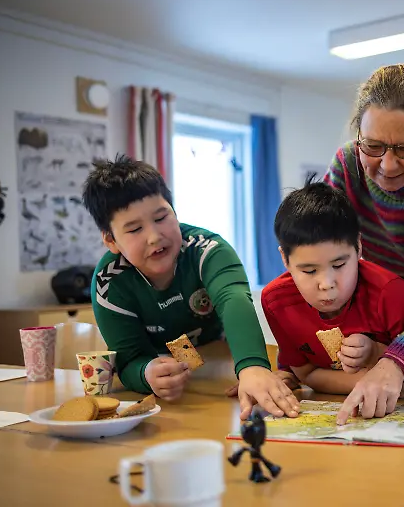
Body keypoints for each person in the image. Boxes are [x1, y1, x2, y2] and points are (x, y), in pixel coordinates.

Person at [274, 64, 404, 424]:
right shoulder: (347, 166)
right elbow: (313, 247)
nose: (387, 165)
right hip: (376, 321)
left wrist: (392, 362)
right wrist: (290, 365)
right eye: (372, 145)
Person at [82, 155, 300, 421]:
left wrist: (252, 367)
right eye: (135, 229)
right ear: (110, 240)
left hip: (225, 370)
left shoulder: (208, 250)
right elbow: (129, 360)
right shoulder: (108, 284)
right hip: (174, 404)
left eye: (162, 217)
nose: (154, 236)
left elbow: (234, 301)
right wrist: (146, 373)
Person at [262, 180, 404, 398]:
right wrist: (371, 384)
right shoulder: (276, 302)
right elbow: (306, 373)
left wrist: (376, 353)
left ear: (358, 247)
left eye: (339, 265)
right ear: (285, 258)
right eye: (309, 271)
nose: (326, 283)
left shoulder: (391, 294)